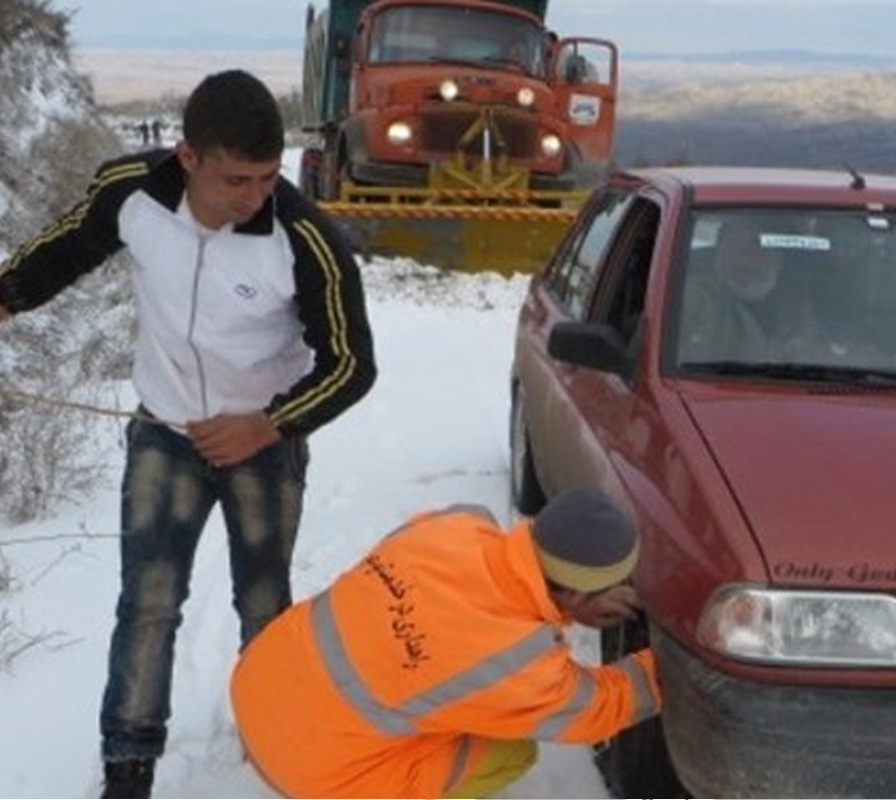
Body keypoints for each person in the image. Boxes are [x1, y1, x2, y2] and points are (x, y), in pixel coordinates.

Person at [0, 69, 377, 798]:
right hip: (162, 435)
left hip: (263, 448)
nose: (254, 196)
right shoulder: (130, 193)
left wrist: (268, 424)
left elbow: (353, 364)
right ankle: (127, 767)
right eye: (236, 179)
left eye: (267, 177)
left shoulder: (304, 237)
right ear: (188, 157)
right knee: (147, 601)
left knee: (264, 605)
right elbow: (60, 252)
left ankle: (275, 738)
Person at [230, 486, 662, 798]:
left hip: (259, 684)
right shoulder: (515, 661)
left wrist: (570, 608)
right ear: (573, 593)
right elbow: (599, 708)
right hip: (311, 772)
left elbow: (462, 620)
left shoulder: (458, 525)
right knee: (512, 750)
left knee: (441, 689)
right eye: (605, 588)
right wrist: (669, 670)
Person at [679, 218, 821, 363]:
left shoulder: (796, 308)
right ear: (720, 253)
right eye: (739, 249)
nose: (747, 260)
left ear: (779, 260)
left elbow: (814, 358)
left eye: (759, 250)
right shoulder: (692, 299)